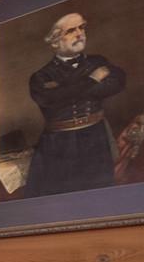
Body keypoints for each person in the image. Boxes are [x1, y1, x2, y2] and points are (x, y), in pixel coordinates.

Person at [24, 12, 126, 197]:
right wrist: (92, 80)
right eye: (71, 30)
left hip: (96, 137)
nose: (80, 34)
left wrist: (67, 91)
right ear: (55, 41)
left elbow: (116, 84)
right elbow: (50, 100)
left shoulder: (98, 61)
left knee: (100, 195)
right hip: (59, 145)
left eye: (82, 27)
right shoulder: (41, 76)